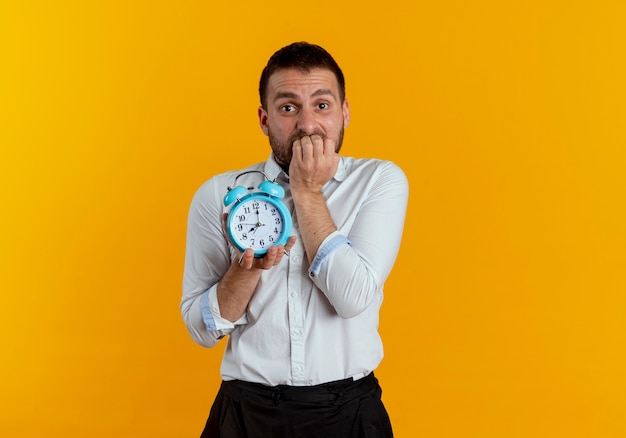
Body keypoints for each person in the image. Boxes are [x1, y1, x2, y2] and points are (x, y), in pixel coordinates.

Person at [181, 41, 408, 437]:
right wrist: (247, 267)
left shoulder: (379, 181)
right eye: (288, 108)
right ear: (264, 119)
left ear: (345, 113)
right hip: (245, 414)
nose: (307, 124)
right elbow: (201, 329)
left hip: (349, 413)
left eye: (322, 105)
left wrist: (306, 191)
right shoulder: (220, 194)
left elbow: (352, 297)